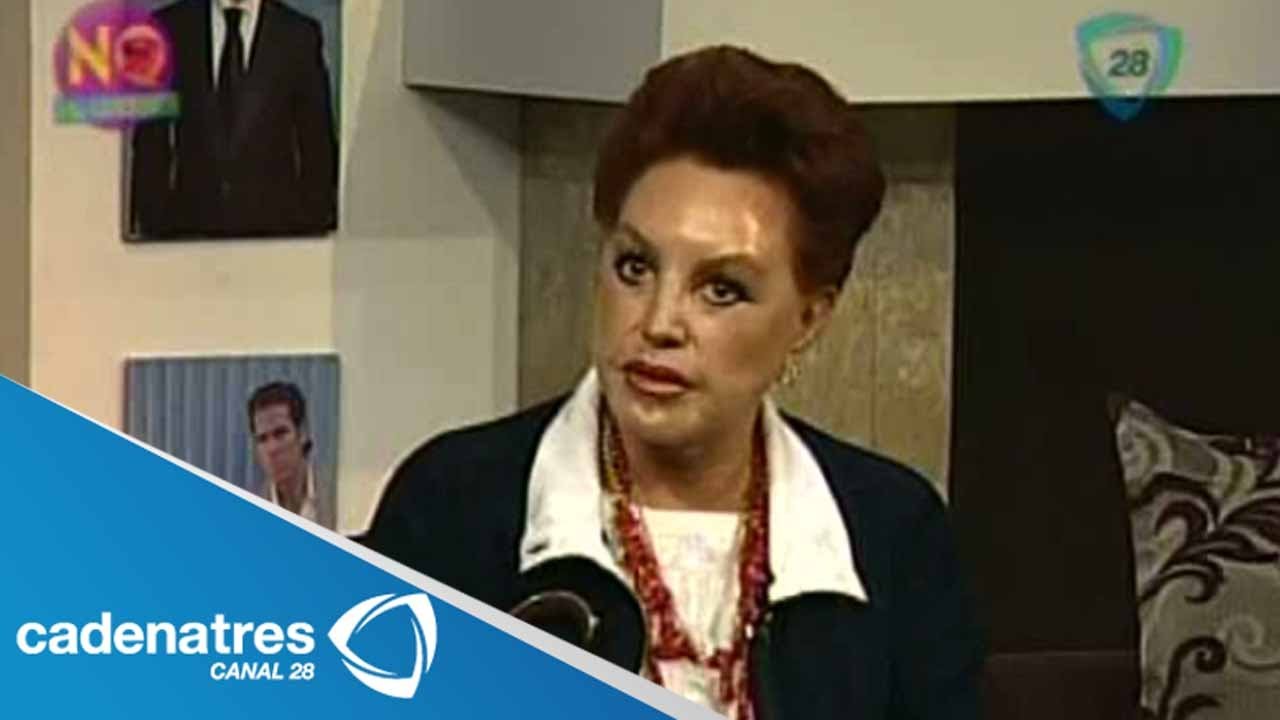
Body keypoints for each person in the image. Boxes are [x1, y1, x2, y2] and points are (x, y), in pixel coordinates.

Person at [364, 46, 984, 719]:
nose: (659, 323)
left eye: (721, 289)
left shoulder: (894, 532)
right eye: (635, 267)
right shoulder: (452, 505)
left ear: (810, 318)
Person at [128, 0, 338, 239]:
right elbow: (150, 144)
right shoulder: (169, 28)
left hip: (276, 238)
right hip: (187, 236)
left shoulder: (298, 36)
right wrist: (155, 232)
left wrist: (309, 237)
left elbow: (317, 147)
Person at [248, 381, 319, 523]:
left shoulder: (338, 497)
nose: (272, 449)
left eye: (280, 434)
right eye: (262, 439)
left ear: (303, 433)